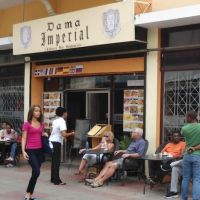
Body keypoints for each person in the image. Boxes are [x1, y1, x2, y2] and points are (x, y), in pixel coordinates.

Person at [22, 105, 48, 200]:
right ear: (32, 112)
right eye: (36, 111)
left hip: (40, 151)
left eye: (39, 111)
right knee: (37, 172)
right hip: (30, 150)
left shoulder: (41, 123)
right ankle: (27, 193)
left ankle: (31, 193)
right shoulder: (27, 124)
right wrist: (23, 151)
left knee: (34, 173)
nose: (38, 112)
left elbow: (40, 134)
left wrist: (44, 134)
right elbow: (24, 137)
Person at [49, 107, 74, 185]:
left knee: (53, 161)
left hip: (51, 141)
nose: (67, 114)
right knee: (56, 162)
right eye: (66, 112)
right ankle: (57, 180)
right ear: (64, 113)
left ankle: (53, 178)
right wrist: (72, 133)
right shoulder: (62, 121)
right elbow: (64, 134)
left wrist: (63, 137)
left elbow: (54, 131)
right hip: (56, 143)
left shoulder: (55, 121)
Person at [181, 111, 200, 200]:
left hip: (187, 155)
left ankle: (184, 198)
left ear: (189, 117)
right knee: (197, 179)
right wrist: (195, 148)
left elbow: (184, 137)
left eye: (186, 117)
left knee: (185, 178)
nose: (185, 118)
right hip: (197, 156)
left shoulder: (184, 128)